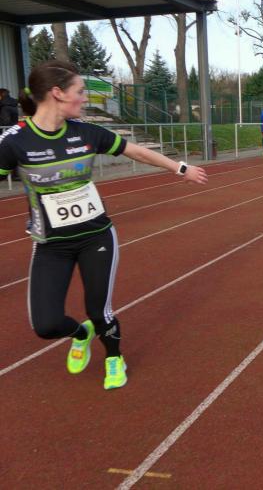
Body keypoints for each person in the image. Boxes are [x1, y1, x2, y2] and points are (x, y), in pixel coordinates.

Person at [0, 61, 208, 390]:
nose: (85, 98)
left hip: (95, 238)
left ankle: (114, 357)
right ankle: (80, 334)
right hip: (50, 245)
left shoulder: (85, 132)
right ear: (57, 93)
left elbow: (136, 151)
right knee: (46, 324)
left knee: (99, 311)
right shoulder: (14, 142)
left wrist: (180, 168)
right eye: (80, 92)